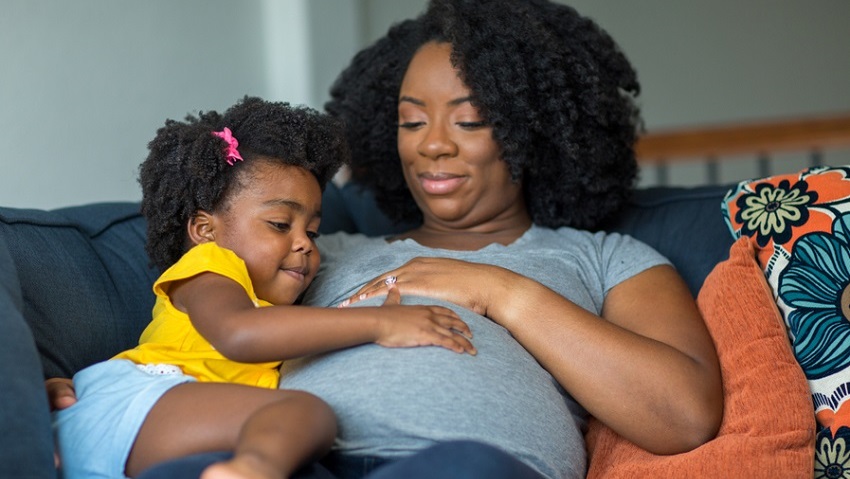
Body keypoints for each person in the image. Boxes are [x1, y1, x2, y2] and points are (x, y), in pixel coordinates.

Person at [49, 1, 724, 478]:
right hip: (296, 457)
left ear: (533, 128)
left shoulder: (604, 258)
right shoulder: (313, 249)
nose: (432, 144)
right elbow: (210, 335)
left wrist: (499, 290)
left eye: (470, 120)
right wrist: (99, 389)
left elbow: (683, 415)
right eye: (409, 121)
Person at [51, 96, 477, 479]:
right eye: (279, 224)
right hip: (139, 398)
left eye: (312, 231)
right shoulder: (210, 267)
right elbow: (241, 333)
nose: (304, 244)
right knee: (302, 414)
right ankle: (254, 470)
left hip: (140, 431)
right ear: (204, 229)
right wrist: (378, 323)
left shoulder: (264, 295)